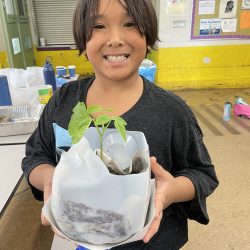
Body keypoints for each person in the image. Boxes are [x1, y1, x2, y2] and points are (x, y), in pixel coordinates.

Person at [22, 0, 219, 249]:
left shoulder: (172, 111)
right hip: (84, 236)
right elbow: (36, 155)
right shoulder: (63, 101)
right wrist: (51, 179)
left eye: (129, 23)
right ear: (82, 38)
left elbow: (202, 174)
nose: (115, 38)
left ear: (148, 35)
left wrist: (170, 190)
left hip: (153, 241)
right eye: (98, 25)